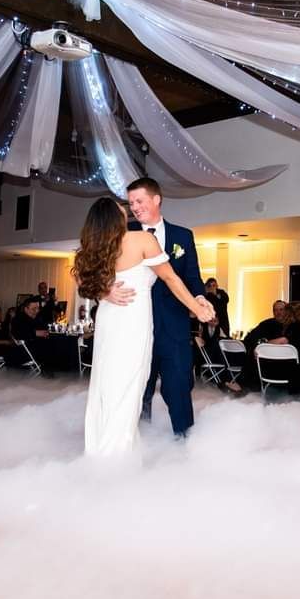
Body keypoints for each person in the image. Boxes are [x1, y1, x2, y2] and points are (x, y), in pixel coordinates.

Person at [74, 196, 213, 456]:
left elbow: (82, 280)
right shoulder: (142, 240)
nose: (128, 213)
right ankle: (117, 453)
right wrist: (198, 309)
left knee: (107, 382)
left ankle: (101, 446)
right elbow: (170, 278)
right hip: (133, 322)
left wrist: (104, 292)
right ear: (115, 219)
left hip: (108, 320)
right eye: (123, 210)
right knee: (129, 383)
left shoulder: (94, 248)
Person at [102, 177, 210, 438]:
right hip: (135, 323)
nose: (135, 208)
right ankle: (140, 439)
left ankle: (184, 440)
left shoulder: (183, 236)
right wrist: (106, 291)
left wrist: (200, 297)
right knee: (139, 387)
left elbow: (192, 276)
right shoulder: (123, 233)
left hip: (173, 326)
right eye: (131, 203)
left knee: (179, 385)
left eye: (139, 201)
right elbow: (95, 268)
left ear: (156, 199)